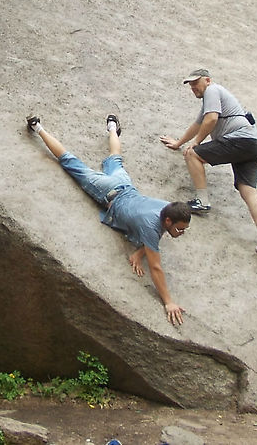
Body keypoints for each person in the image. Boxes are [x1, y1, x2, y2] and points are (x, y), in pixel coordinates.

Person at [27, 113, 192, 325]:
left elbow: (157, 232)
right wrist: (168, 302)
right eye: (180, 229)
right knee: (70, 162)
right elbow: (156, 267)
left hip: (124, 185)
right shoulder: (152, 227)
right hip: (107, 192)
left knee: (116, 157)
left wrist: (140, 251)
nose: (181, 233)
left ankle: (112, 127)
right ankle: (38, 127)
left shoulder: (165, 208)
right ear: (169, 221)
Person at [159, 69, 257, 256]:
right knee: (248, 191)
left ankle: (202, 201)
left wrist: (194, 144)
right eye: (190, 84)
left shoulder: (213, 90)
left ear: (208, 80)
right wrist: (179, 143)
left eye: (196, 82)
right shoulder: (210, 101)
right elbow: (198, 125)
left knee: (193, 154)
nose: (193, 87)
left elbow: (211, 120)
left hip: (240, 139)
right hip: (255, 144)